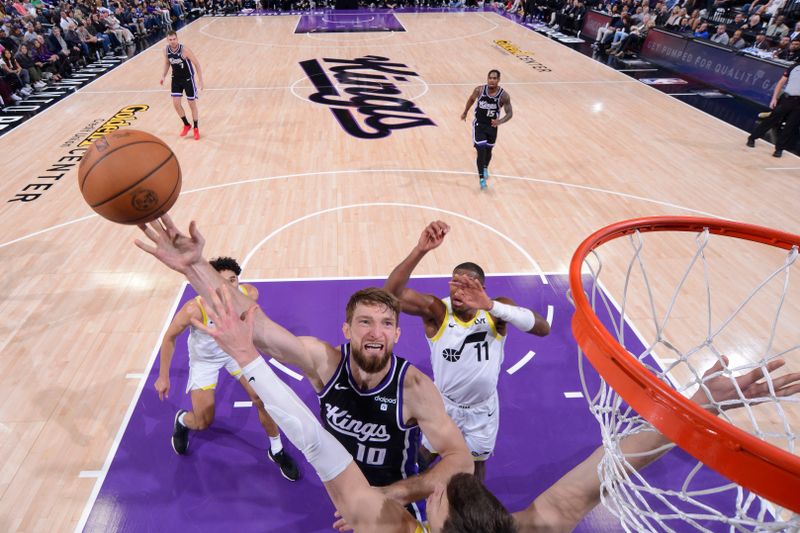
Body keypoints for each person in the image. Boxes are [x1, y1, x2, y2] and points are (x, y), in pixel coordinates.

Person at [175, 268, 800, 533]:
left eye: (442, 493)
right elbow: (596, 477)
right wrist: (694, 407)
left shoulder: (386, 507)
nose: (440, 484)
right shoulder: (511, 527)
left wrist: (247, 360)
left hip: (373, 489)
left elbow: (311, 440)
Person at [135, 216, 473, 518]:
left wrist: (389, 494)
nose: (375, 332)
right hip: (341, 490)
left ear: (397, 334)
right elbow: (262, 330)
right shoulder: (325, 362)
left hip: (397, 505)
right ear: (346, 330)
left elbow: (461, 459)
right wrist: (194, 266)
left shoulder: (413, 387)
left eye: (386, 324)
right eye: (364, 322)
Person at [384, 221, 550, 481]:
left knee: (476, 468)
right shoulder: (437, 311)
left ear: (482, 289)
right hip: (443, 405)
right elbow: (390, 294)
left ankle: (471, 516)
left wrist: (491, 305)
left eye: (468, 285)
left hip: (482, 411)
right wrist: (420, 250)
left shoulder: (497, 311)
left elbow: (543, 328)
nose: (459, 290)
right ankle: (408, 499)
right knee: (421, 457)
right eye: (455, 283)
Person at [154, 256, 300, 480]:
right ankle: (182, 420)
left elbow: (258, 326)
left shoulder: (249, 294)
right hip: (205, 360)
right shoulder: (194, 309)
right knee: (203, 421)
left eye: (232, 280)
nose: (228, 287)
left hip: (235, 352)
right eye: (220, 281)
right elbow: (169, 338)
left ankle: (276, 449)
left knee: (263, 398)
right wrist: (163, 376)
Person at [460, 69, 513, 190]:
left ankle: (485, 167)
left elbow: (510, 113)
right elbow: (471, 100)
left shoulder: (504, 95)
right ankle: (481, 179)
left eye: (494, 78)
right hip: (479, 125)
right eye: (490, 78)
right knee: (481, 149)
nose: (492, 80)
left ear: (498, 80)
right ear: (487, 79)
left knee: (489, 150)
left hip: (492, 127)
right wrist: (465, 112)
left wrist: (500, 121)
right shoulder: (479, 90)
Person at [747, 61, 800, 157]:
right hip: (787, 99)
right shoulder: (794, 67)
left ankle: (779, 149)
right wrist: (774, 98)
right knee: (771, 120)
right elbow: (781, 82)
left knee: (790, 127)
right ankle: (752, 138)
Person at [160, 30, 203, 140]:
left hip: (188, 79)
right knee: (176, 104)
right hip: (176, 79)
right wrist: (163, 76)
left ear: (177, 39)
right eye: (170, 40)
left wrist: (200, 80)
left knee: (191, 104)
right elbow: (167, 63)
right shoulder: (165, 50)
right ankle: (186, 124)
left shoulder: (185, 50)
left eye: (174, 39)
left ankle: (196, 128)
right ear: (167, 40)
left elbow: (197, 64)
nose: (173, 41)